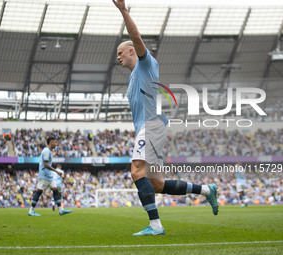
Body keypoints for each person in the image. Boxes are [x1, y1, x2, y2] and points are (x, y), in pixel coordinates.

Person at [113, 0, 219, 236]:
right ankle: (206, 190)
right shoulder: (132, 78)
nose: (117, 57)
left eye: (120, 53)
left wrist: (123, 10)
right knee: (156, 184)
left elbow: (137, 38)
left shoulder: (146, 65)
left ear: (132, 51)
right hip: (152, 126)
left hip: (152, 125)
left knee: (137, 172)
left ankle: (155, 226)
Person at [28, 136, 72, 216]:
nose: (56, 144)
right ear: (51, 142)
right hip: (44, 175)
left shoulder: (48, 151)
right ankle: (31, 210)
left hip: (48, 176)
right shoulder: (46, 151)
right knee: (39, 192)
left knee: (55, 191)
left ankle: (61, 210)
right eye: (55, 142)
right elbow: (46, 165)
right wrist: (56, 171)